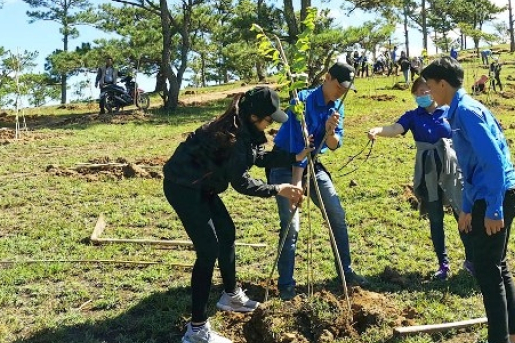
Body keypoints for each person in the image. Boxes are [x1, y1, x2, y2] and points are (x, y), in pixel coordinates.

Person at [163, 87, 308, 343]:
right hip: (182, 186)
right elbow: (242, 184)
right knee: (208, 250)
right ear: (255, 117)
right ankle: (196, 329)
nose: (271, 124)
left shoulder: (244, 128)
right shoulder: (234, 136)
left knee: (227, 234)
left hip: (201, 185)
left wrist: (293, 156)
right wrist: (279, 189)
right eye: (269, 119)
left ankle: (230, 296)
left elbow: (257, 156)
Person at [421, 57, 515, 343]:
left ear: (443, 84)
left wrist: (492, 208)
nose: (428, 91)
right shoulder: (458, 112)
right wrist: (467, 207)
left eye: (430, 85)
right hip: (489, 193)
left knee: (487, 271)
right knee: (497, 265)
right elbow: (470, 167)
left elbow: (492, 161)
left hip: (498, 194)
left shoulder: (466, 112)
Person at [268, 62, 367, 300]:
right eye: (339, 86)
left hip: (314, 166)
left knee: (336, 214)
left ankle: (346, 271)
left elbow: (333, 146)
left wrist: (330, 132)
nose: (341, 92)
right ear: (327, 77)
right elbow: (296, 146)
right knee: (292, 226)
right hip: (285, 166)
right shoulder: (299, 102)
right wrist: (296, 183)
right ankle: (286, 286)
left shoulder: (337, 107)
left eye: (346, 88)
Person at [367, 77, 473, 279]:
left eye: (426, 91)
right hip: (428, 171)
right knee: (435, 217)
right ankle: (443, 264)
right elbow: (395, 128)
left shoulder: (449, 111)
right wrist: (378, 130)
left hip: (451, 168)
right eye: (418, 93)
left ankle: (471, 260)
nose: (423, 96)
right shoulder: (413, 116)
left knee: (461, 213)